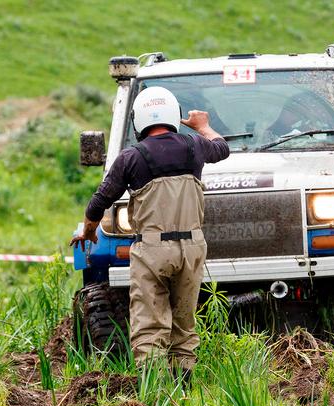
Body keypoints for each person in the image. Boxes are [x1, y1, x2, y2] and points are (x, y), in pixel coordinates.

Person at [70, 86, 230, 380]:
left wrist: (88, 232)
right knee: (184, 325)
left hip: (153, 250)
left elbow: (98, 203)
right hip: (192, 247)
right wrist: (204, 126)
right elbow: (222, 149)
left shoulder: (132, 157)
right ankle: (185, 391)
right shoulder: (194, 145)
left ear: (138, 120)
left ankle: (155, 396)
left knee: (149, 326)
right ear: (173, 115)